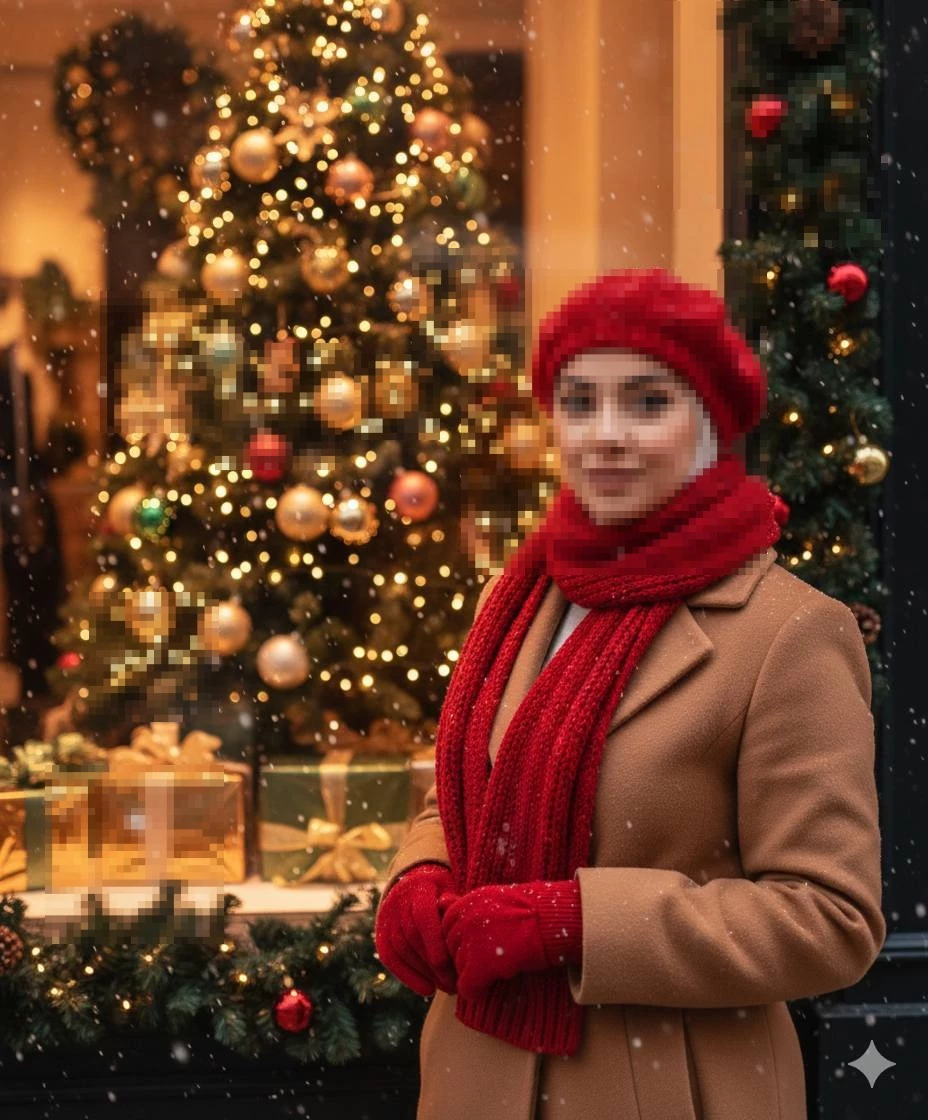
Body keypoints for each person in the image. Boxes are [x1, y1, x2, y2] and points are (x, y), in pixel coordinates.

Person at [373, 269, 885, 1120]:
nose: (605, 436)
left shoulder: (788, 633)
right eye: (580, 403)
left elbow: (829, 920)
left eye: (648, 404)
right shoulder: (522, 596)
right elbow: (478, 791)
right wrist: (419, 874)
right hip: (480, 1074)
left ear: (711, 423)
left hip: (669, 1088)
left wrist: (576, 923)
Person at [0, 273, 67, 707]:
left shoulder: (23, 359)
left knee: (40, 584)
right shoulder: (10, 361)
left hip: (27, 489)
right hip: (16, 491)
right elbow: (18, 440)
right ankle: (34, 676)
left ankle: (39, 673)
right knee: (30, 586)